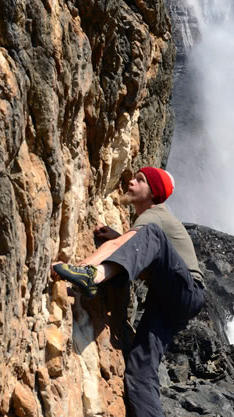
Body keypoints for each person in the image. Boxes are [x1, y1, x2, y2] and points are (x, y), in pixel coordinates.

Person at [52, 166, 205, 417]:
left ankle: (95, 276)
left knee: (151, 235)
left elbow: (121, 244)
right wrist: (121, 235)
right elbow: (138, 250)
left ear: (153, 192)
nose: (131, 182)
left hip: (186, 289)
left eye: (140, 180)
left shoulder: (154, 215)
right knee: (140, 368)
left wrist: (83, 267)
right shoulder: (149, 223)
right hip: (173, 300)